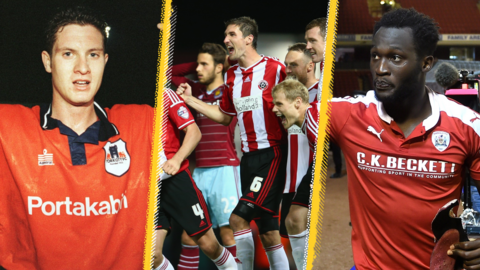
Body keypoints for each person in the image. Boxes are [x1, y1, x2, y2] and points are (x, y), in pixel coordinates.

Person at [273, 8, 480, 269]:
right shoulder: (346, 115)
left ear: (426, 63)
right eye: (375, 56)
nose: (380, 69)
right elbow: (296, 106)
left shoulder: (467, 127)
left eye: (395, 57)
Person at [0, 6, 153, 269]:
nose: (82, 68)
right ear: (48, 61)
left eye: (92, 55)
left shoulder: (143, 123)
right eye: (68, 54)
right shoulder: (8, 126)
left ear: (104, 60)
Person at [177, 16, 288, 270]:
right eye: (225, 35)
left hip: (272, 154)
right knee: (269, 231)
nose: (226, 40)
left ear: (249, 39)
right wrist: (192, 101)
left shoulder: (276, 69)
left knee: (237, 219)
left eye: (232, 35)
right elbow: (225, 117)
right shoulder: (231, 75)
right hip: (247, 160)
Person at [170, 43, 242, 269]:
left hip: (225, 170)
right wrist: (201, 61)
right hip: (198, 171)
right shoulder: (196, 90)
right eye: (197, 64)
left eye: (204, 65)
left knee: (228, 234)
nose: (198, 69)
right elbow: (171, 72)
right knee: (189, 236)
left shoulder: (231, 90)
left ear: (219, 67)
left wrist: (221, 61)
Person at [153, 87, 237, 270]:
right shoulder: (125, 102)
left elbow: (194, 132)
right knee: (152, 255)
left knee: (209, 245)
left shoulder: (165, 95)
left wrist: (176, 159)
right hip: (147, 188)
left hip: (175, 181)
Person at [280, 43, 319, 270]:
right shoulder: (286, 97)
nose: (288, 69)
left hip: (312, 176)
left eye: (293, 64)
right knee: (291, 235)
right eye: (286, 64)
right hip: (290, 179)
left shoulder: (322, 93)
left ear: (310, 66)